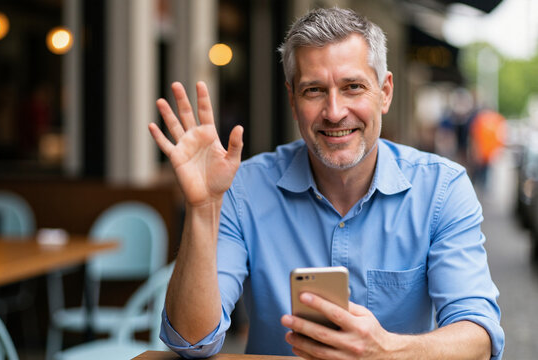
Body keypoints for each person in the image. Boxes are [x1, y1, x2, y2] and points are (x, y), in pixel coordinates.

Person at [149, 7, 504, 360]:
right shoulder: (244, 189)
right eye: (314, 90)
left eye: (353, 87)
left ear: (385, 92)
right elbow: (191, 341)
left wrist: (386, 350)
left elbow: (479, 335)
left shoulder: (441, 188)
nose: (334, 112)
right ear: (292, 100)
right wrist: (202, 208)